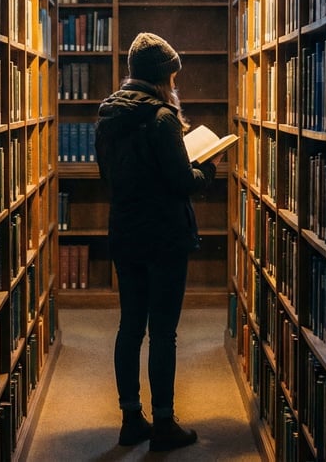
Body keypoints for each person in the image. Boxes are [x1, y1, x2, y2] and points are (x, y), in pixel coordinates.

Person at [94, 32, 220, 452]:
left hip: (126, 233)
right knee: (163, 332)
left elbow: (106, 176)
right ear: (162, 76)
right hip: (165, 236)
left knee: (130, 326)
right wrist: (209, 169)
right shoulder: (163, 118)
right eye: (173, 76)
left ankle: (132, 418)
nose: (175, 85)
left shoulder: (107, 113)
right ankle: (164, 423)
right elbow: (182, 181)